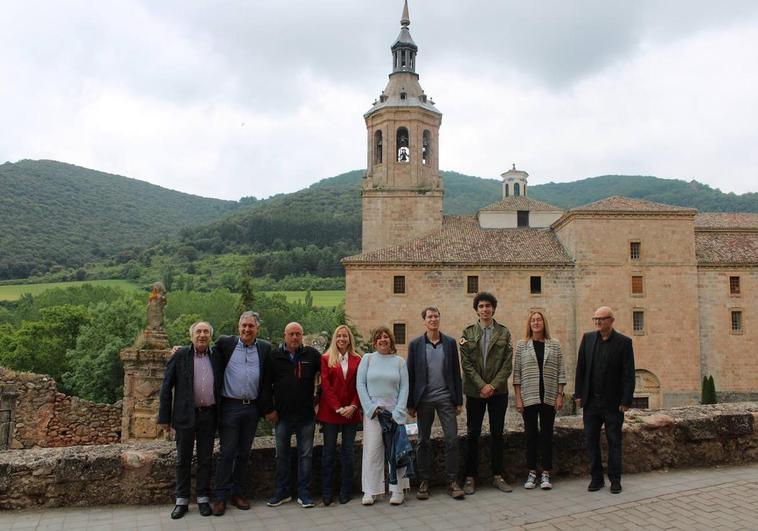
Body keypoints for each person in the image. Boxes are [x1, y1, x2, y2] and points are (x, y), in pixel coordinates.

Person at [210, 311, 272, 516]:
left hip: (252, 408)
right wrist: (180, 350)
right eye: (244, 325)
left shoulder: (264, 348)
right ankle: (220, 497)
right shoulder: (225, 344)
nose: (247, 329)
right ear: (238, 327)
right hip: (230, 406)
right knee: (227, 452)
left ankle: (237, 493)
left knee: (243, 453)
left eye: (251, 326)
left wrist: (267, 408)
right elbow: (202, 352)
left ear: (257, 329)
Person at [158, 321, 220, 520]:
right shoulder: (179, 355)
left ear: (210, 336)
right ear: (191, 335)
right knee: (182, 459)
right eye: (198, 332)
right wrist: (164, 418)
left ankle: (203, 498)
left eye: (206, 332)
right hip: (185, 415)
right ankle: (181, 500)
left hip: (209, 415)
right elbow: (166, 388)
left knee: (205, 459)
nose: (202, 335)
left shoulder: (217, 356)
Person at [574, 306, 635, 494]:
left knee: (614, 442)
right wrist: (578, 395)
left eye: (601, 318)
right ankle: (596, 478)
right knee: (591, 441)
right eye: (595, 319)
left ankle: (615, 480)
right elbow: (581, 369)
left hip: (613, 403)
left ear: (611, 320)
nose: (598, 322)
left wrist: (626, 400)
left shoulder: (624, 343)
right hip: (591, 402)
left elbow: (628, 374)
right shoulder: (588, 339)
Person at [407, 306, 464, 500]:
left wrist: (458, 400)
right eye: (430, 317)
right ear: (424, 321)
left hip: (446, 398)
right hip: (424, 400)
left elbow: (456, 373)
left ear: (440, 319)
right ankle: (424, 481)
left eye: (436, 316)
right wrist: (411, 404)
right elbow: (411, 375)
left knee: (452, 439)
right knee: (423, 441)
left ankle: (452, 481)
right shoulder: (415, 345)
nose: (433, 319)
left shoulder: (449, 343)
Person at [460, 291, 514, 495]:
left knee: (497, 434)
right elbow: (466, 364)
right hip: (475, 392)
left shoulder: (504, 333)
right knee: (472, 434)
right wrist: (482, 385)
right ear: (476, 309)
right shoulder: (467, 333)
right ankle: (470, 477)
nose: (485, 309)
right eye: (481, 306)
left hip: (498, 392)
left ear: (493, 309)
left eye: (488, 306)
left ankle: (498, 475)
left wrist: (492, 386)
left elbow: (507, 365)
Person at [265, 322, 321, 508]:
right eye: (291, 334)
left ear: (302, 335)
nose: (295, 337)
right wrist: (269, 409)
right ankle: (282, 491)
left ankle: (304, 493)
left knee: (306, 456)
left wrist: (318, 401)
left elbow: (326, 377)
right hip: (282, 416)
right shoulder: (274, 356)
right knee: (282, 455)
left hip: (306, 416)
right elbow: (265, 385)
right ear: (285, 335)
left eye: (298, 334)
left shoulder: (311, 355)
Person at [356, 326, 410, 506]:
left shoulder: (399, 362)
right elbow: (360, 384)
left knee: (396, 451)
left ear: (391, 341)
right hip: (374, 413)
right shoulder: (367, 359)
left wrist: (399, 412)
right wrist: (370, 408)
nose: (383, 340)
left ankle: (397, 490)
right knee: (372, 451)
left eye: (386, 337)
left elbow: (404, 388)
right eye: (379, 337)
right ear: (374, 342)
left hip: (394, 412)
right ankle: (371, 491)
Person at [513, 311, 566, 490]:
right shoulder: (522, 345)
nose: (536, 323)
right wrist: (518, 398)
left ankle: (546, 473)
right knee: (530, 436)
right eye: (533, 320)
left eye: (539, 320)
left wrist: (560, 394)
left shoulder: (555, 345)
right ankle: (531, 472)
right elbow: (517, 374)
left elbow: (561, 371)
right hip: (529, 396)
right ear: (529, 324)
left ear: (544, 323)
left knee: (547, 435)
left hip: (549, 395)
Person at [316, 325, 362, 506]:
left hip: (351, 413)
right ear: (334, 339)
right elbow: (325, 386)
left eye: (345, 336)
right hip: (331, 413)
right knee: (328, 453)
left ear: (350, 339)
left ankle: (346, 491)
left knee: (348, 453)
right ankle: (327, 492)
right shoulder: (326, 358)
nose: (342, 339)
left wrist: (353, 405)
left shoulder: (358, 360)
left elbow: (361, 384)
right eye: (339, 336)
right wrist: (337, 407)